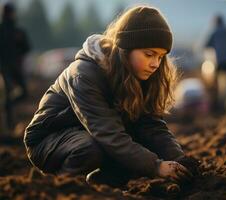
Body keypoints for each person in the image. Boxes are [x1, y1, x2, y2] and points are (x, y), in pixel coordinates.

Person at [23, 6, 197, 187]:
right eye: (149, 54)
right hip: (49, 140)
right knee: (92, 149)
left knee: (136, 153)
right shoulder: (83, 74)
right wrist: (156, 166)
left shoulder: (141, 74)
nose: (155, 64)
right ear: (126, 49)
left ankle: (99, 183)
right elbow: (108, 134)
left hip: (93, 135)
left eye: (161, 57)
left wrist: (181, 161)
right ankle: (62, 186)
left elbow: (152, 126)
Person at [0, 3, 31, 129]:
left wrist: (18, 55)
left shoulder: (18, 31)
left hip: (15, 67)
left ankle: (6, 106)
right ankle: (9, 125)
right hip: (4, 67)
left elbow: (27, 48)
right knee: (8, 94)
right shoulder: (2, 30)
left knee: (23, 92)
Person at [205, 15, 226, 113]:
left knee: (220, 84)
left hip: (220, 62)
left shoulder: (214, 32)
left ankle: (221, 105)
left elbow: (206, 46)